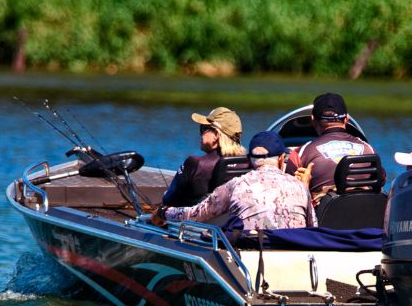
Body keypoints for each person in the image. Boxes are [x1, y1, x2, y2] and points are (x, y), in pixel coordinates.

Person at [153, 131, 316, 231]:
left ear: (249, 160)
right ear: (281, 159)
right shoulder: (300, 187)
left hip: (250, 258)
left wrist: (163, 212)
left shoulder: (235, 186)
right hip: (294, 257)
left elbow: (194, 215)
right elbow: (313, 227)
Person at [286, 92, 375, 198]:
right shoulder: (368, 149)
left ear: (313, 120)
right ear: (346, 118)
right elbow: (381, 180)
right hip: (366, 211)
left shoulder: (300, 153)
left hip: (324, 213)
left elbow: (289, 191)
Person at [161, 106, 245, 207]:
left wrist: (165, 195)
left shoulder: (195, 163)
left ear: (216, 135)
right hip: (228, 221)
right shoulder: (248, 164)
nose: (201, 134)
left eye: (204, 129)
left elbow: (169, 200)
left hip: (191, 221)